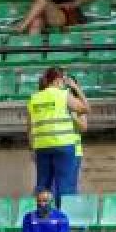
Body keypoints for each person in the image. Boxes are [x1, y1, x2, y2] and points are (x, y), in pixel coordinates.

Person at [27, 68, 88, 197]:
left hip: (42, 146)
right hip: (64, 145)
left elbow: (29, 128)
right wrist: (76, 88)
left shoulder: (34, 98)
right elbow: (86, 108)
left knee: (43, 187)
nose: (64, 84)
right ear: (57, 80)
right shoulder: (63, 95)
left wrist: (32, 148)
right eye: (63, 81)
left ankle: (43, 216)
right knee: (65, 188)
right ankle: (64, 216)